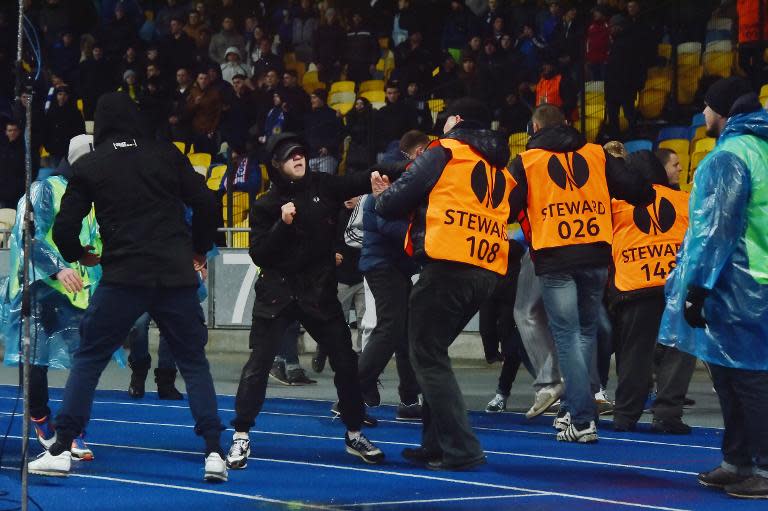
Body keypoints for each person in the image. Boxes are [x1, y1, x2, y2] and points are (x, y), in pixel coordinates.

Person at [28, 93, 227, 482]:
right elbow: (207, 202)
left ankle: (61, 446)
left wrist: (78, 254)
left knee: (89, 359)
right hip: (174, 275)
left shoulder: (92, 164)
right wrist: (199, 249)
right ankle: (215, 453)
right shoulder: (165, 153)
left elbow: (65, 228)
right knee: (194, 363)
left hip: (123, 277)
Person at [225, 132, 396, 470]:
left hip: (318, 293)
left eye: (301, 153)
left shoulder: (324, 186)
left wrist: (382, 174)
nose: (298, 159)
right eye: (290, 156)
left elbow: (355, 181)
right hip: (277, 293)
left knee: (346, 363)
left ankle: (354, 431)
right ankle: (241, 435)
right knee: (258, 366)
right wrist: (283, 225)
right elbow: (259, 254)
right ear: (277, 165)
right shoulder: (265, 205)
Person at [375, 98, 515, 471]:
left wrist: (380, 196)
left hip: (448, 264)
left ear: (454, 119)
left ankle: (462, 449)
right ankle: (434, 444)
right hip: (486, 269)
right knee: (432, 349)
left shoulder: (445, 151)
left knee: (425, 353)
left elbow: (392, 203)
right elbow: (512, 209)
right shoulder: (500, 166)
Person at [508, 103, 653, 443]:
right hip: (595, 256)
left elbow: (505, 206)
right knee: (586, 333)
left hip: (555, 258)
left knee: (568, 336)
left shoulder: (527, 162)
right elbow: (640, 191)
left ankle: (582, 417)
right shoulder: (596, 154)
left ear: (534, 127)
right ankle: (574, 410)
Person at [659, 77, 768, 499]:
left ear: (721, 111)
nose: (702, 115)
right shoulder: (759, 148)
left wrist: (696, 286)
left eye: (705, 107)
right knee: (733, 376)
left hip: (738, 281)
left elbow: (713, 230)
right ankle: (737, 460)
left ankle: (760, 465)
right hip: (755, 278)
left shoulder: (731, 155)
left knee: (748, 381)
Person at [0, 135, 102, 462]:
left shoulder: (95, 197)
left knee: (85, 362)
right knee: (37, 363)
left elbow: (96, 239)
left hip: (78, 294)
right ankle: (43, 424)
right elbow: (28, 234)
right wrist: (58, 269)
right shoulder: (44, 189)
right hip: (38, 289)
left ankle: (71, 429)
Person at [609, 150, 695, 434]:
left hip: (635, 288)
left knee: (635, 355)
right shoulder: (683, 201)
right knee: (677, 351)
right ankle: (667, 415)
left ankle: (625, 415)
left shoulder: (617, 204)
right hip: (676, 287)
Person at [357, 131, 427, 421]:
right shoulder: (382, 193)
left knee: (403, 332)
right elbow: (390, 228)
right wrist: (426, 238)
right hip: (384, 266)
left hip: (392, 266)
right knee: (389, 328)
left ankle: (409, 399)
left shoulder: (391, 190)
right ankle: (353, 392)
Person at [0, 121, 25, 209]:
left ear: (19, 131)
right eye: (10, 130)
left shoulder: (24, 149)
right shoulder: (3, 148)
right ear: (6, 132)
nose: (12, 133)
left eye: (15, 130)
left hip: (17, 191)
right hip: (3, 190)